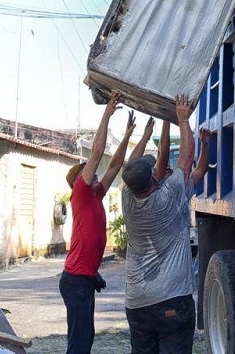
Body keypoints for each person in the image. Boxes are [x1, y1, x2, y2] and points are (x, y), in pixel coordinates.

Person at [120, 95, 197, 353]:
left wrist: (150, 132)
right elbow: (185, 159)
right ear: (154, 180)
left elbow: (132, 167)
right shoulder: (166, 198)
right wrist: (182, 118)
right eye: (153, 171)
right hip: (171, 300)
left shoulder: (128, 199)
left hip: (137, 303)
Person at [60, 93, 136, 354]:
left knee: (85, 338)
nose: (91, 171)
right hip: (76, 281)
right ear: (78, 180)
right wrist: (108, 113)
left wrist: (127, 136)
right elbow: (97, 152)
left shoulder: (95, 194)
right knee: (80, 343)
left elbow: (114, 165)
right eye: (86, 170)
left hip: (83, 279)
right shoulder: (80, 192)